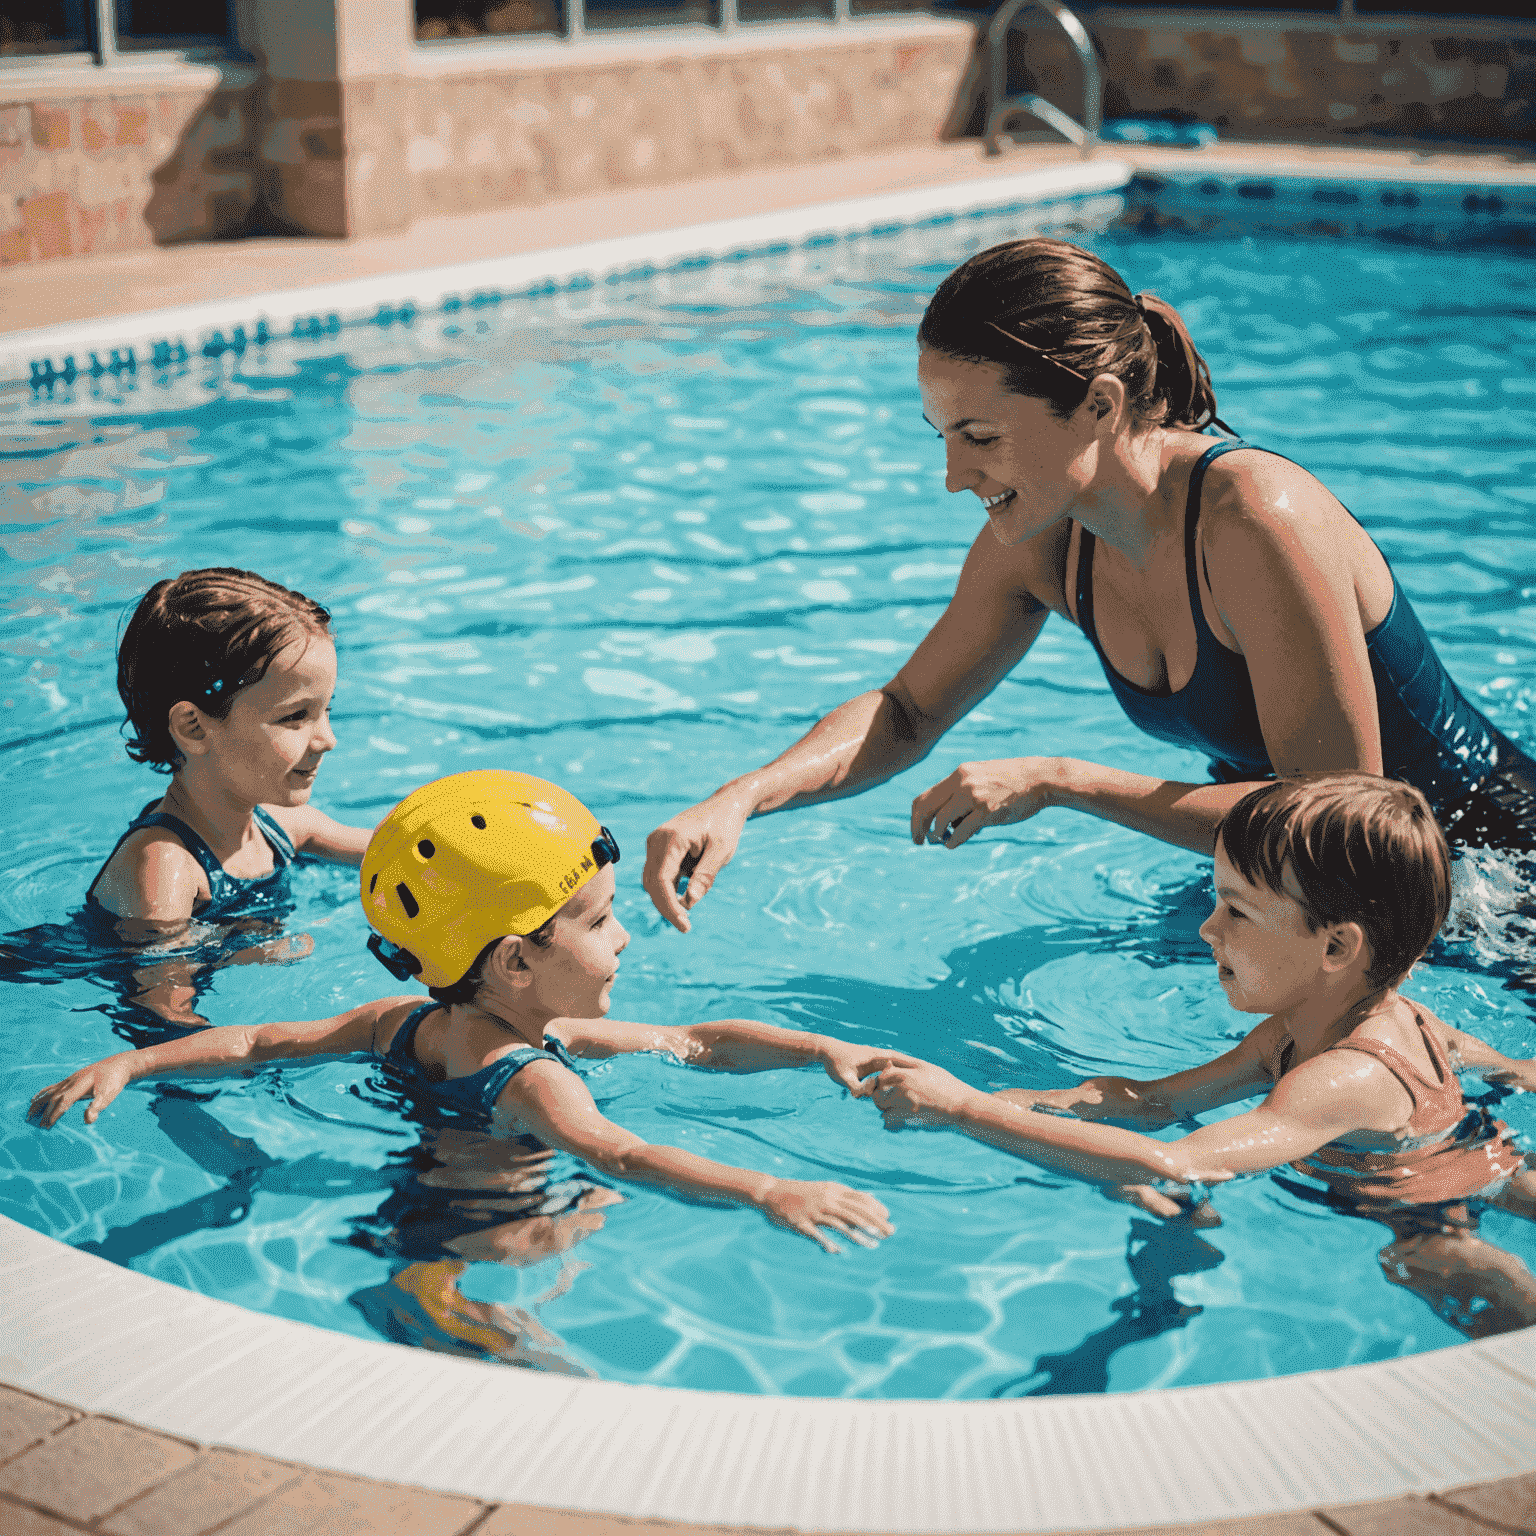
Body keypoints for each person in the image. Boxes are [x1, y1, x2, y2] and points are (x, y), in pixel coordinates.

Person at [642, 237, 1536, 933]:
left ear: (1101, 406)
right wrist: (743, 796)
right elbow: (908, 711)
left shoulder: (1255, 520)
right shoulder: (1039, 538)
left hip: (1491, 883)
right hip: (1288, 890)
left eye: (981, 437)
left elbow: (1337, 824)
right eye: (941, 436)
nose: (954, 477)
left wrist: (1061, 780)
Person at [33, 770, 895, 1260]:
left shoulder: (405, 1019)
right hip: (494, 1224)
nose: (625, 936)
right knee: (537, 1295)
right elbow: (624, 1150)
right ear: (516, 962)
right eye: (598, 921)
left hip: (417, 1193)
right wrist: (767, 1188)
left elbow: (259, 1042)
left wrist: (135, 1062)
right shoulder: (533, 1077)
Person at [857, 774, 1536, 1339]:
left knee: (1431, 1269)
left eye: (1236, 912)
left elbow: (1180, 1161)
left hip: (1419, 1217)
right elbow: (1156, 1101)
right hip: (1481, 1153)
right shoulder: (1347, 1021)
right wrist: (1007, 1101)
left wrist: (965, 1114)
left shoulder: (1342, 1076)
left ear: (1335, 949)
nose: (1209, 929)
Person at [88, 567, 372, 933]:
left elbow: (397, 849)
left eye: (325, 710)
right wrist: (252, 948)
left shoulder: (280, 826)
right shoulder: (165, 869)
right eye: (296, 716)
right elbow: (161, 987)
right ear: (193, 727)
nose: (326, 740)